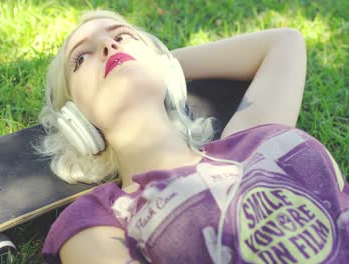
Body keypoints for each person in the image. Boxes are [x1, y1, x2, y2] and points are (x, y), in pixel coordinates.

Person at [36, 10, 349, 264]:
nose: (108, 46)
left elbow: (285, 42)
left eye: (121, 35)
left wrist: (160, 65)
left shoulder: (250, 138)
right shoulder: (100, 220)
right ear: (75, 120)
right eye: (81, 58)